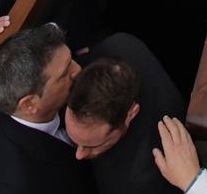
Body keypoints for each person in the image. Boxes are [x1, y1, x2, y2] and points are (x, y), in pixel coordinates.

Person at [0, 24, 94, 194]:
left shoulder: (42, 99)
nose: (77, 70)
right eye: (65, 73)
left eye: (70, 59)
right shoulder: (18, 183)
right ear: (29, 104)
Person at [65, 33, 185, 194]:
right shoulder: (119, 44)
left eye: (93, 145)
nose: (79, 155)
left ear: (131, 113)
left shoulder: (135, 183)